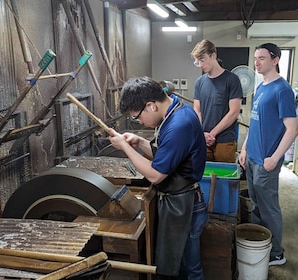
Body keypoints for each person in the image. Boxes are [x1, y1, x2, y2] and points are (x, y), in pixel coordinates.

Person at [108, 77, 208, 280]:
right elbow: (169, 154)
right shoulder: (178, 109)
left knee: (191, 269)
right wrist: (140, 142)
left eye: (137, 117)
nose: (139, 122)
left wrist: (126, 147)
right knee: (182, 265)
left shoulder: (179, 124)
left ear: (151, 106)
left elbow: (155, 175)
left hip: (185, 205)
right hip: (180, 200)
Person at [238, 43, 298, 266]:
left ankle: (276, 253)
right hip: (252, 157)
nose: (257, 62)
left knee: (269, 208)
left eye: (262, 58)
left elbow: (293, 129)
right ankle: (260, 245)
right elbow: (254, 124)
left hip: (266, 162)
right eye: (255, 58)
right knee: (255, 205)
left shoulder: (282, 90)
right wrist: (244, 149)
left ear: (275, 60)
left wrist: (274, 158)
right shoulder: (262, 86)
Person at [191, 39, 243, 163]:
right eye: (197, 62)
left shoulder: (232, 80)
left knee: (223, 178)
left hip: (224, 140)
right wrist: (202, 133)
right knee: (202, 177)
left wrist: (212, 134)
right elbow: (197, 110)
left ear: (213, 55)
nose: (200, 65)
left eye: (202, 60)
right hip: (203, 138)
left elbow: (234, 112)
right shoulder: (199, 82)